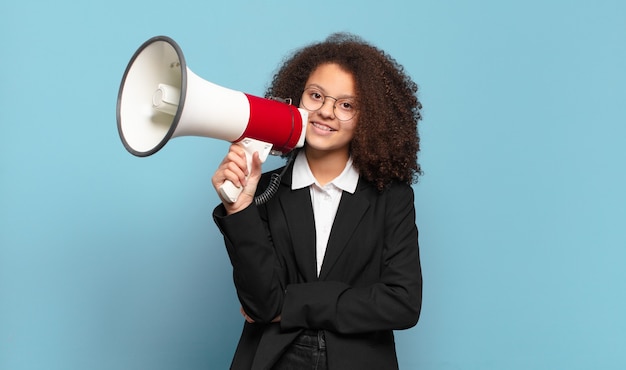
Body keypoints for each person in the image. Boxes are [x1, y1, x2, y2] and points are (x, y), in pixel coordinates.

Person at [211, 32, 423, 370]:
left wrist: (293, 303)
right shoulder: (264, 190)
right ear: (297, 99)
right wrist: (240, 209)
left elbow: (402, 303)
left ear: (369, 118)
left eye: (346, 104)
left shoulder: (393, 197)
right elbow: (262, 305)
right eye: (316, 95)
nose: (325, 112)